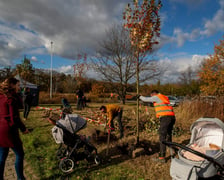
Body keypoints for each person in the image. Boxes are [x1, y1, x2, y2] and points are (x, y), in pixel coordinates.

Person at [0, 77, 29, 180]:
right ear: (12, 85)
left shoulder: (1, 96)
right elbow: (15, 118)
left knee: (2, 156)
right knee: (20, 154)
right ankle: (20, 178)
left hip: (0, 130)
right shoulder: (11, 98)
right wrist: (23, 129)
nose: (19, 87)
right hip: (8, 130)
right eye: (17, 85)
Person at [139, 90, 176, 163]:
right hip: (172, 117)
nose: (152, 98)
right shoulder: (164, 97)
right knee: (168, 135)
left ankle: (162, 157)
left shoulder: (156, 97)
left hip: (165, 118)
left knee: (162, 136)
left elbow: (145, 99)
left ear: (153, 94)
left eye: (151, 95)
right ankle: (172, 154)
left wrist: (139, 96)